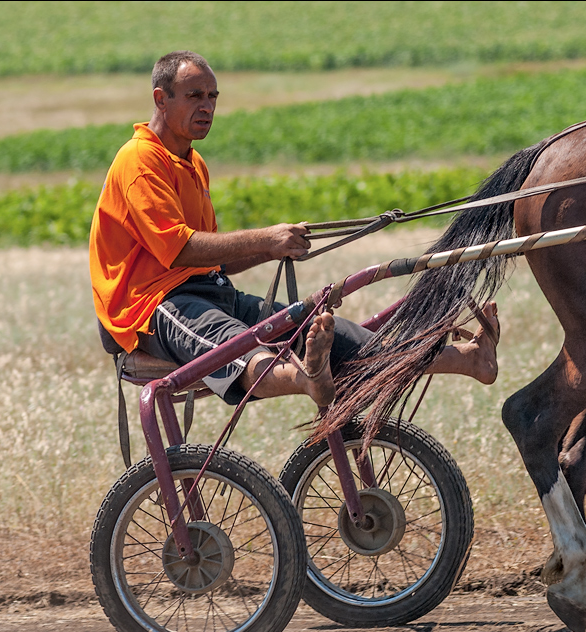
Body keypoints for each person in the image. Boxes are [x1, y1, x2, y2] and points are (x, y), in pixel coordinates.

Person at [89, 50, 499, 409]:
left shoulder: (193, 164)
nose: (207, 106)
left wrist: (275, 248)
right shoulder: (140, 160)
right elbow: (178, 251)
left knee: (328, 331)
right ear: (161, 98)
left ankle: (466, 358)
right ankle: (307, 377)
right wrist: (266, 237)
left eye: (213, 96)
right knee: (237, 350)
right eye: (195, 95)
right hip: (152, 307)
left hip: (209, 291)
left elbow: (216, 260)